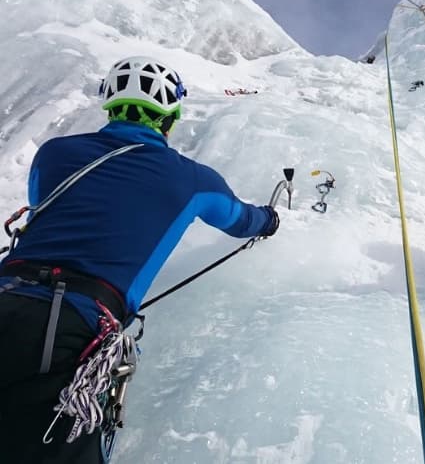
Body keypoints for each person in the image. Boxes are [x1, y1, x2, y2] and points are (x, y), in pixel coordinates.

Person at [0, 56, 280, 463]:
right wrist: (269, 220)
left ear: (109, 105)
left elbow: (42, 205)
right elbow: (239, 219)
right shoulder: (192, 178)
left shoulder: (56, 154)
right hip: (70, 324)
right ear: (171, 117)